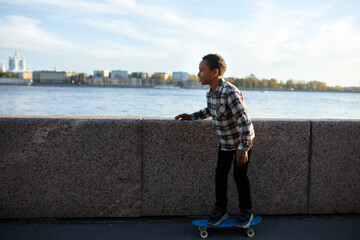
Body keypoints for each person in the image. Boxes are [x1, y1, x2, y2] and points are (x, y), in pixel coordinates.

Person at [175, 53, 255, 228]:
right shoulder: (211, 93)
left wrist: (243, 148)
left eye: (201, 70)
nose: (198, 74)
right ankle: (221, 209)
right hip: (225, 143)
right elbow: (210, 111)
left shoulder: (230, 92)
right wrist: (191, 116)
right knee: (220, 175)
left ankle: (246, 211)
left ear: (215, 72)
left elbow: (245, 121)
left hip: (241, 142)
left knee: (239, 176)